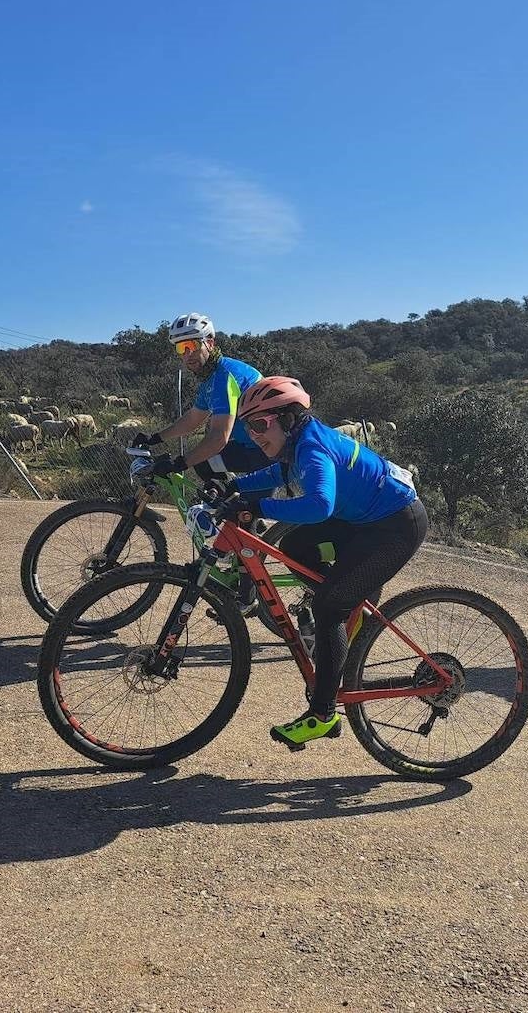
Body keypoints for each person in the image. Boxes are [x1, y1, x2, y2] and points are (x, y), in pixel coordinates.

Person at [219, 376, 429, 747]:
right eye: (248, 428)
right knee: (298, 545)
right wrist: (236, 486)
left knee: (329, 606)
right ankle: (351, 603)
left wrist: (257, 504)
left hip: (396, 525)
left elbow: (319, 505)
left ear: (287, 418)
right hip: (365, 520)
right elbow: (278, 474)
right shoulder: (296, 443)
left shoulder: (312, 447)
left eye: (259, 425)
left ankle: (322, 714)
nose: (253, 436)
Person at [130, 312, 271, 482]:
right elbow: (193, 419)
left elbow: (219, 437)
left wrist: (179, 463)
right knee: (203, 464)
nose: (187, 354)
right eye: (181, 348)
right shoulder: (210, 378)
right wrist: (154, 437)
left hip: (267, 451)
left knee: (251, 506)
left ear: (209, 343)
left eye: (192, 345)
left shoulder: (225, 377)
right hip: (251, 447)